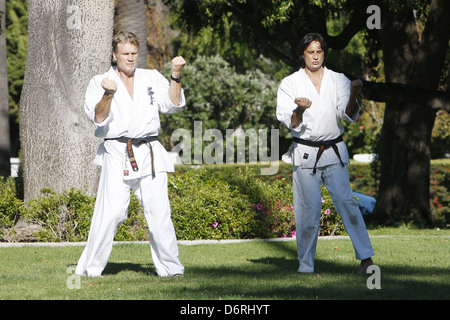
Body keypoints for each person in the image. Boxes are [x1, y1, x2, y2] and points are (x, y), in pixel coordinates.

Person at [75, 31, 185, 278]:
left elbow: (173, 104)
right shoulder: (100, 81)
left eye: (134, 54)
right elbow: (98, 117)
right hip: (117, 150)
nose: (130, 58)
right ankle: (91, 268)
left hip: (150, 149)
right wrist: (108, 94)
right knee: (111, 211)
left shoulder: (151, 77)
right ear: (115, 55)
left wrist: (175, 76)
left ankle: (171, 269)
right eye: (125, 54)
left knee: (159, 212)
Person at [276, 33, 374, 274]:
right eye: (311, 52)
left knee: (347, 203)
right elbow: (291, 122)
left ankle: (366, 259)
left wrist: (353, 94)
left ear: (324, 54)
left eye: (319, 51)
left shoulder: (338, 79)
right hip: (305, 152)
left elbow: (347, 114)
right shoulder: (290, 83)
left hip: (333, 151)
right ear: (302, 54)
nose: (316, 56)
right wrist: (299, 108)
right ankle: (306, 266)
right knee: (307, 210)